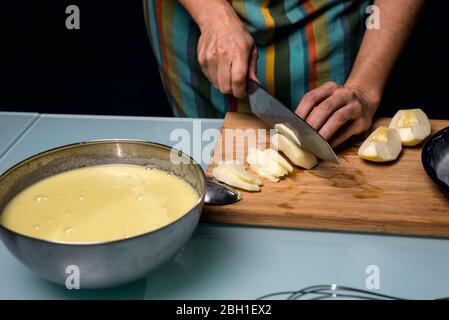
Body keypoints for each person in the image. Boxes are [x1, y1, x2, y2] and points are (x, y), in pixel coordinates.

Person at [144, 0, 424, 147]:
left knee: (333, 137)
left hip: (328, 16)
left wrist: (364, 86)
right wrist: (213, 16)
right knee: (205, 157)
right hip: (195, 13)